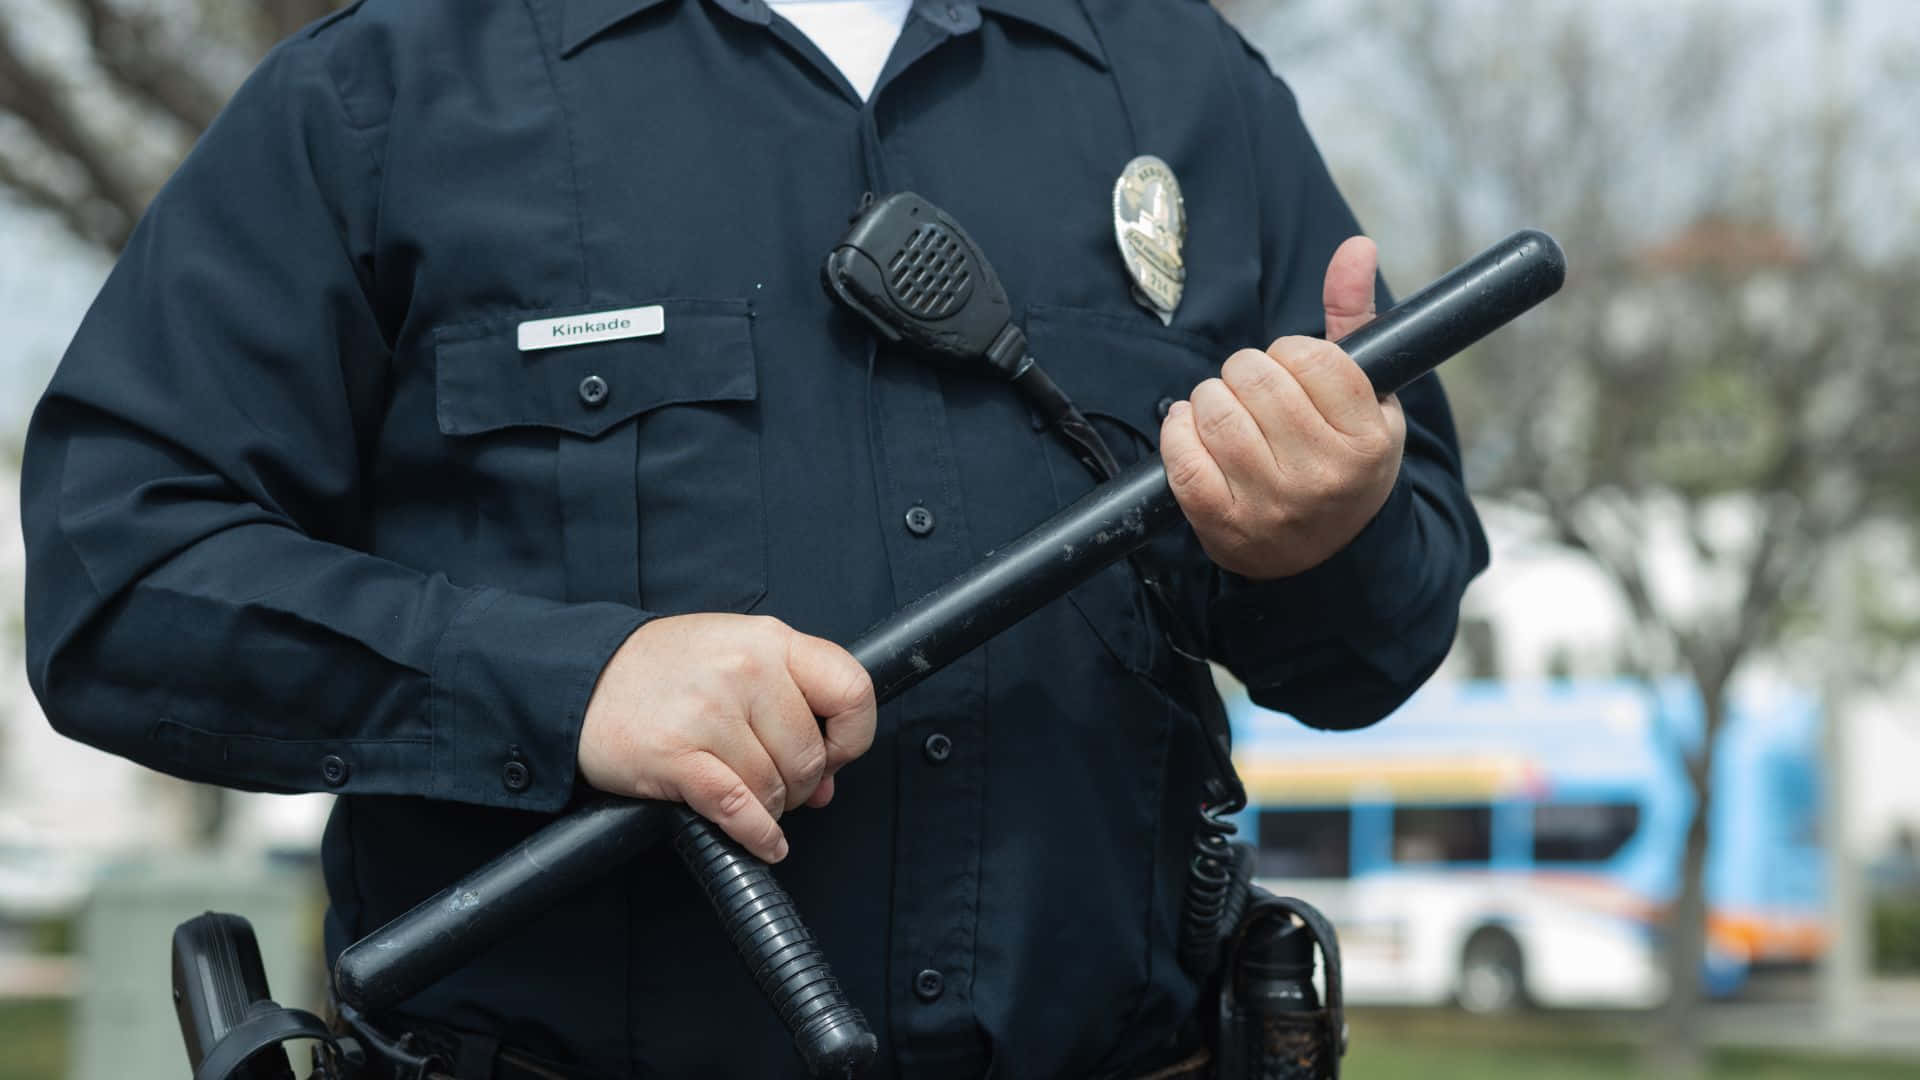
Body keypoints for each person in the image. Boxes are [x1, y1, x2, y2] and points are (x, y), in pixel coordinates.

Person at [20, 1, 1487, 1076]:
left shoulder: (1186, 88)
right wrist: (570, 684)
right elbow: (120, 575)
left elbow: (1384, 635)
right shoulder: (387, 93)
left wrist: (1331, 531)